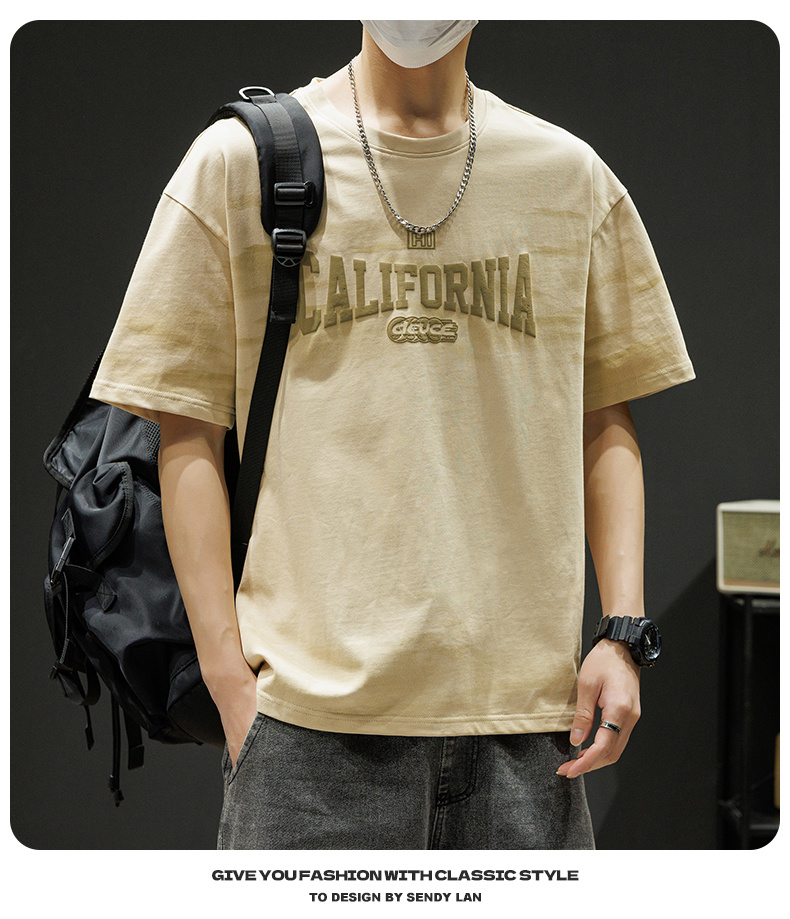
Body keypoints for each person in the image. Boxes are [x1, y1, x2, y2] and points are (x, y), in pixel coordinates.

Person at [90, 20, 694, 849]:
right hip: (308, 735)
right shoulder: (237, 166)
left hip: (527, 734)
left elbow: (603, 418)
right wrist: (231, 685)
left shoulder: (568, 177)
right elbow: (186, 430)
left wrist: (622, 633)